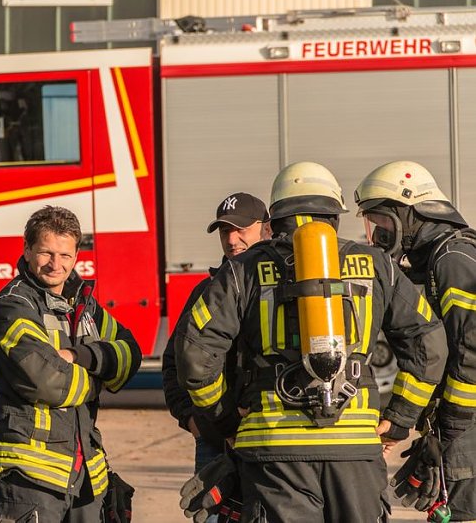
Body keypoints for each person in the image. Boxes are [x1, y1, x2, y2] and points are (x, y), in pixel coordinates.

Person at [175, 162, 448, 522]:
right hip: (356, 449)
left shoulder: (241, 271)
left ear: (277, 217)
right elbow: (429, 345)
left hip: (274, 453)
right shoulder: (377, 264)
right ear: (335, 214)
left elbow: (194, 355)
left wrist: (225, 423)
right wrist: (399, 419)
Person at [0, 205, 142, 523]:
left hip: (86, 475)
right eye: (46, 253)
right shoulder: (12, 307)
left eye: (65, 256)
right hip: (28, 478)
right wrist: (98, 380)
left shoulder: (81, 304)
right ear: (27, 250)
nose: (56, 265)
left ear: (76, 255)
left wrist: (83, 357)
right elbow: (48, 382)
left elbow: (130, 354)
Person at [355, 161, 476, 520]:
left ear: (408, 213)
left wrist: (449, 431)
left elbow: (471, 353)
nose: (376, 235)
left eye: (381, 222)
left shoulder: (453, 260)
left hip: (467, 430)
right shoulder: (432, 261)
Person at [162, 193, 270, 472]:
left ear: (267, 228)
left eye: (241, 229)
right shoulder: (205, 293)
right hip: (215, 444)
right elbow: (174, 362)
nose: (232, 240)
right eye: (225, 231)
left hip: (272, 438)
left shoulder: (281, 289)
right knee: (215, 518)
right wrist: (193, 422)